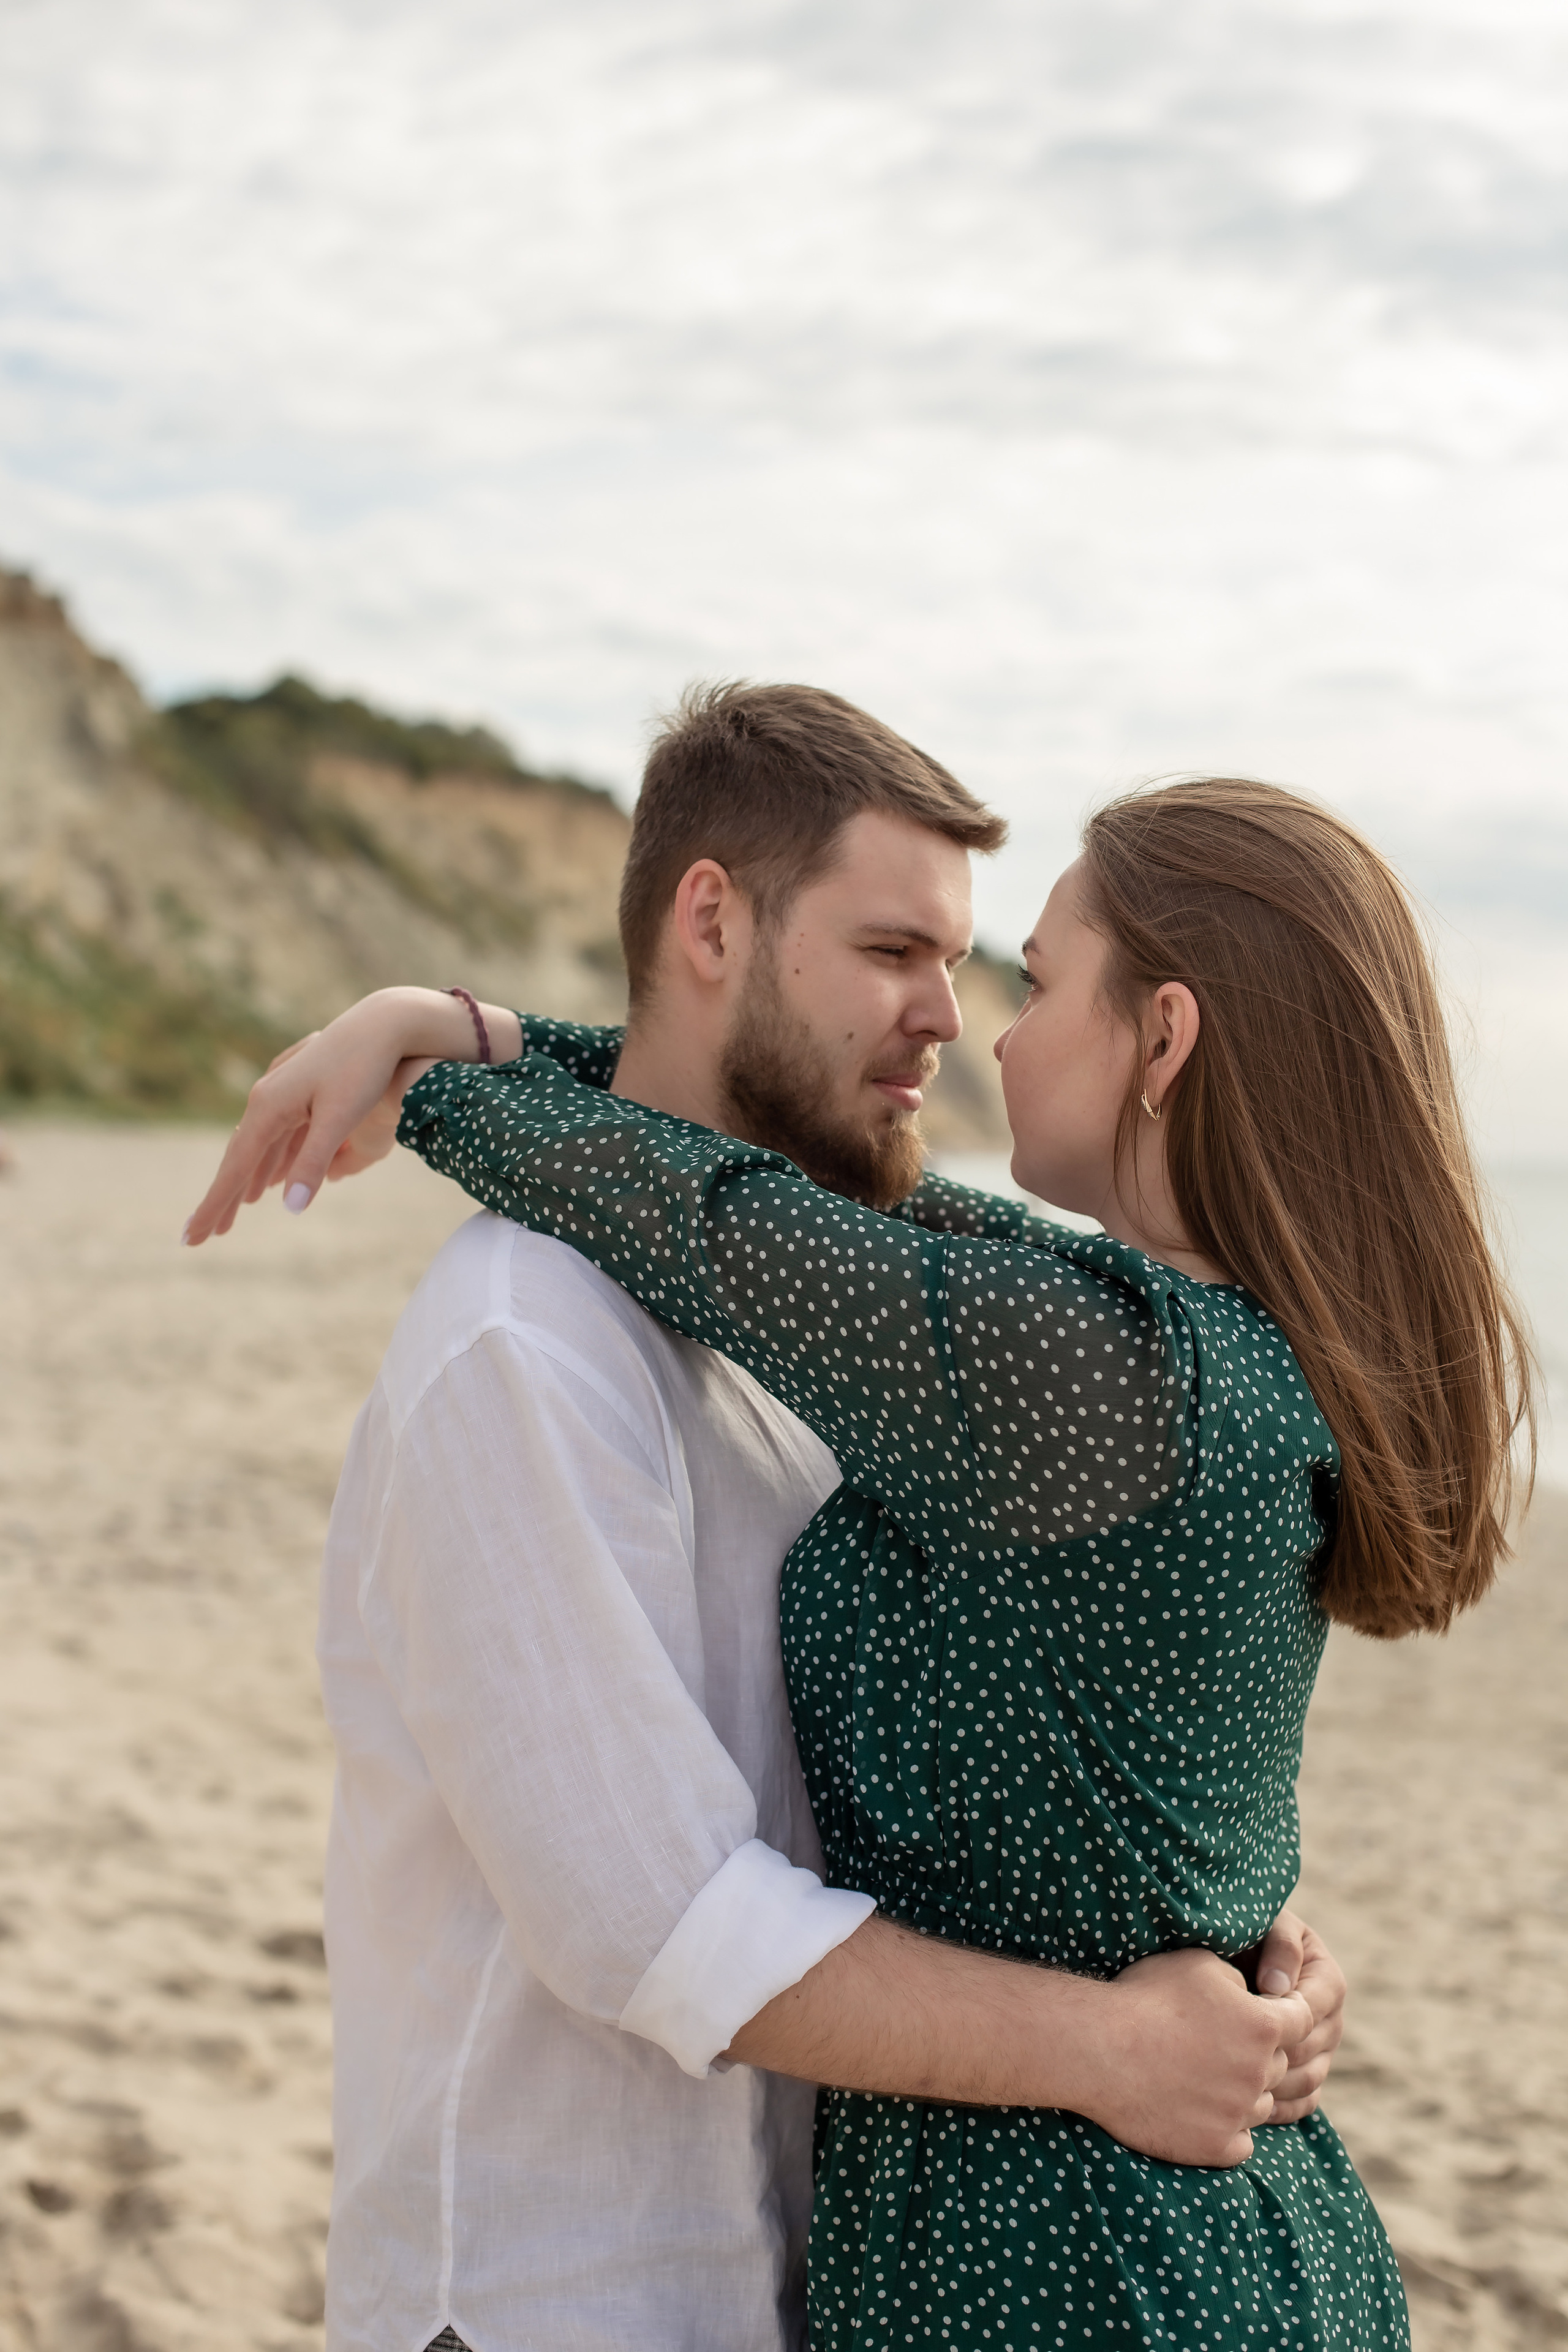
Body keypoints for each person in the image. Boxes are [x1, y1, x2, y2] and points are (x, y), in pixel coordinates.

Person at [185, 702, 1406, 2350]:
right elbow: (661, 1922)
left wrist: (1204, 1941)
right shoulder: (524, 1342)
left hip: (812, 2272)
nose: (950, 1025)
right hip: (576, 2292)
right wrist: (1123, 2036)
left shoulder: (878, 1327)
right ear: (711, 922)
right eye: (897, 948)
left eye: (990, 971)